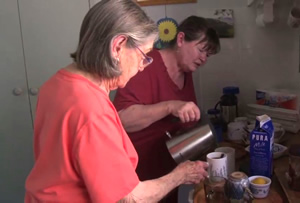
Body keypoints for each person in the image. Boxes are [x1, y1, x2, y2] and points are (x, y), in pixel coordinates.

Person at [24, 1, 208, 202]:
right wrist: (180, 175)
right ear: (118, 46)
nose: (143, 66)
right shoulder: (92, 110)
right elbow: (127, 199)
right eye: (143, 56)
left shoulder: (56, 83)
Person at [113, 15, 220, 202]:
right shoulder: (146, 64)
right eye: (201, 50)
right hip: (140, 183)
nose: (204, 59)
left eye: (208, 55)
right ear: (180, 39)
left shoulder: (186, 72)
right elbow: (122, 119)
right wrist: (170, 106)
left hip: (170, 178)